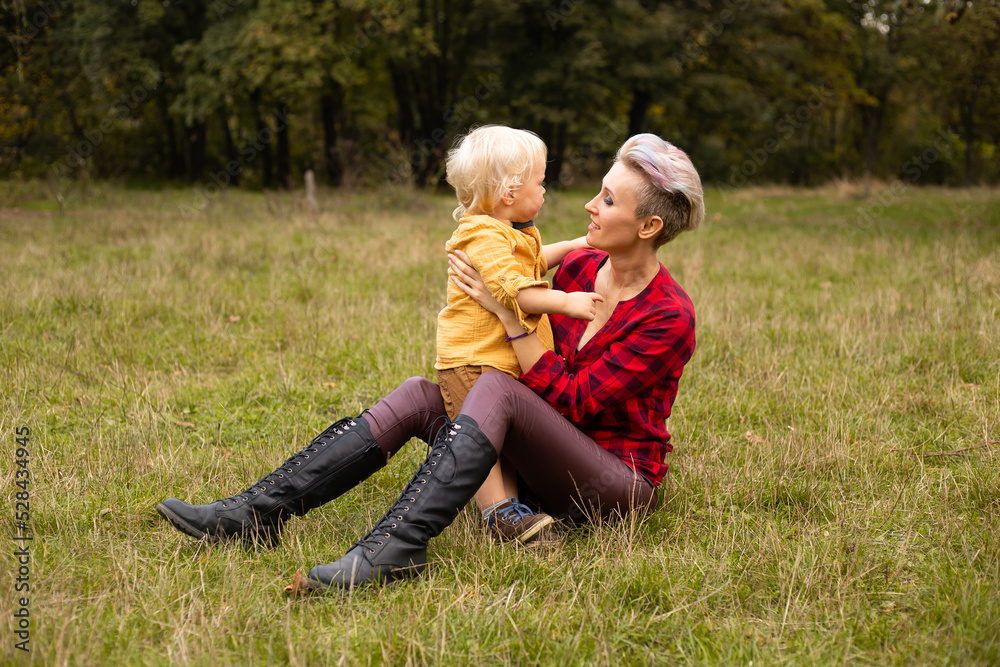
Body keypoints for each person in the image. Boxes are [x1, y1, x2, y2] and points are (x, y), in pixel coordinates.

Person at [156, 133, 704, 593]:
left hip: (612, 485)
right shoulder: (581, 267)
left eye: (608, 200)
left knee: (496, 386)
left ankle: (395, 546)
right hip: (543, 463)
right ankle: (257, 514)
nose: (590, 204)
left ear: (649, 226)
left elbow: (574, 402)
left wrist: (506, 314)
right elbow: (518, 287)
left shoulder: (668, 315)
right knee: (424, 393)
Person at [435, 125, 601, 543]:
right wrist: (566, 301)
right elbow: (515, 290)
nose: (545, 191)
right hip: (472, 362)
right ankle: (497, 512)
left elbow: (530, 264)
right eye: (540, 182)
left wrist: (575, 243)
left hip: (495, 363)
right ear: (509, 192)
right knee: (482, 447)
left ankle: (509, 513)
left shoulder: (509, 232)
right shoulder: (482, 235)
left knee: (499, 441)